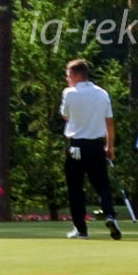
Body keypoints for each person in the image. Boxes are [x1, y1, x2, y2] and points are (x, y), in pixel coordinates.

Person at [57, 58, 123, 240]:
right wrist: (110, 145)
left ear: (76, 75)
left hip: (76, 146)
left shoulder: (69, 93)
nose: (67, 79)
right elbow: (109, 122)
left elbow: (65, 115)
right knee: (103, 185)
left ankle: (81, 229)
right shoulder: (102, 94)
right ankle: (110, 215)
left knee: (76, 188)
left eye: (68, 75)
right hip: (96, 145)